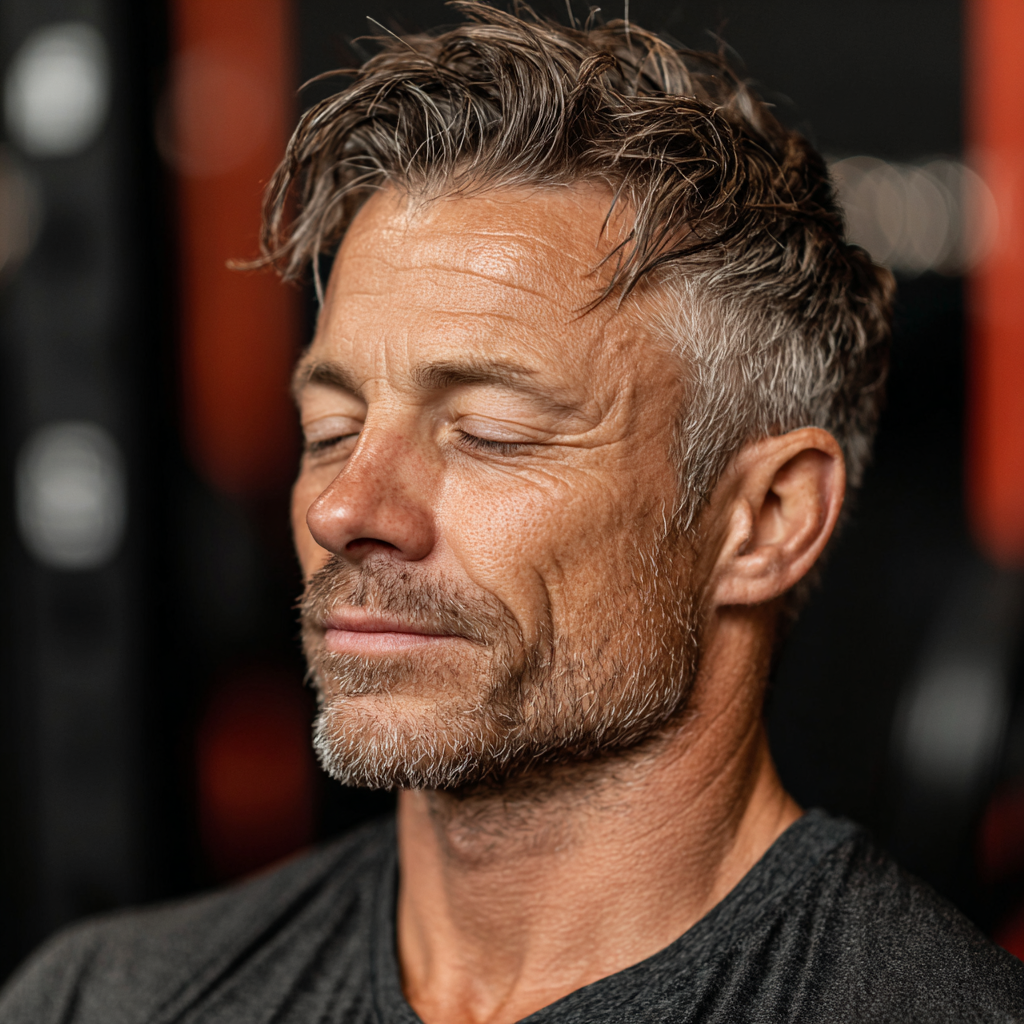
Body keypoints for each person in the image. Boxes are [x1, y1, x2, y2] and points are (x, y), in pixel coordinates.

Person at [2, 4, 1022, 1022]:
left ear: (764, 517)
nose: (349, 506)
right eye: (330, 429)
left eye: (487, 432)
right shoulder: (102, 998)